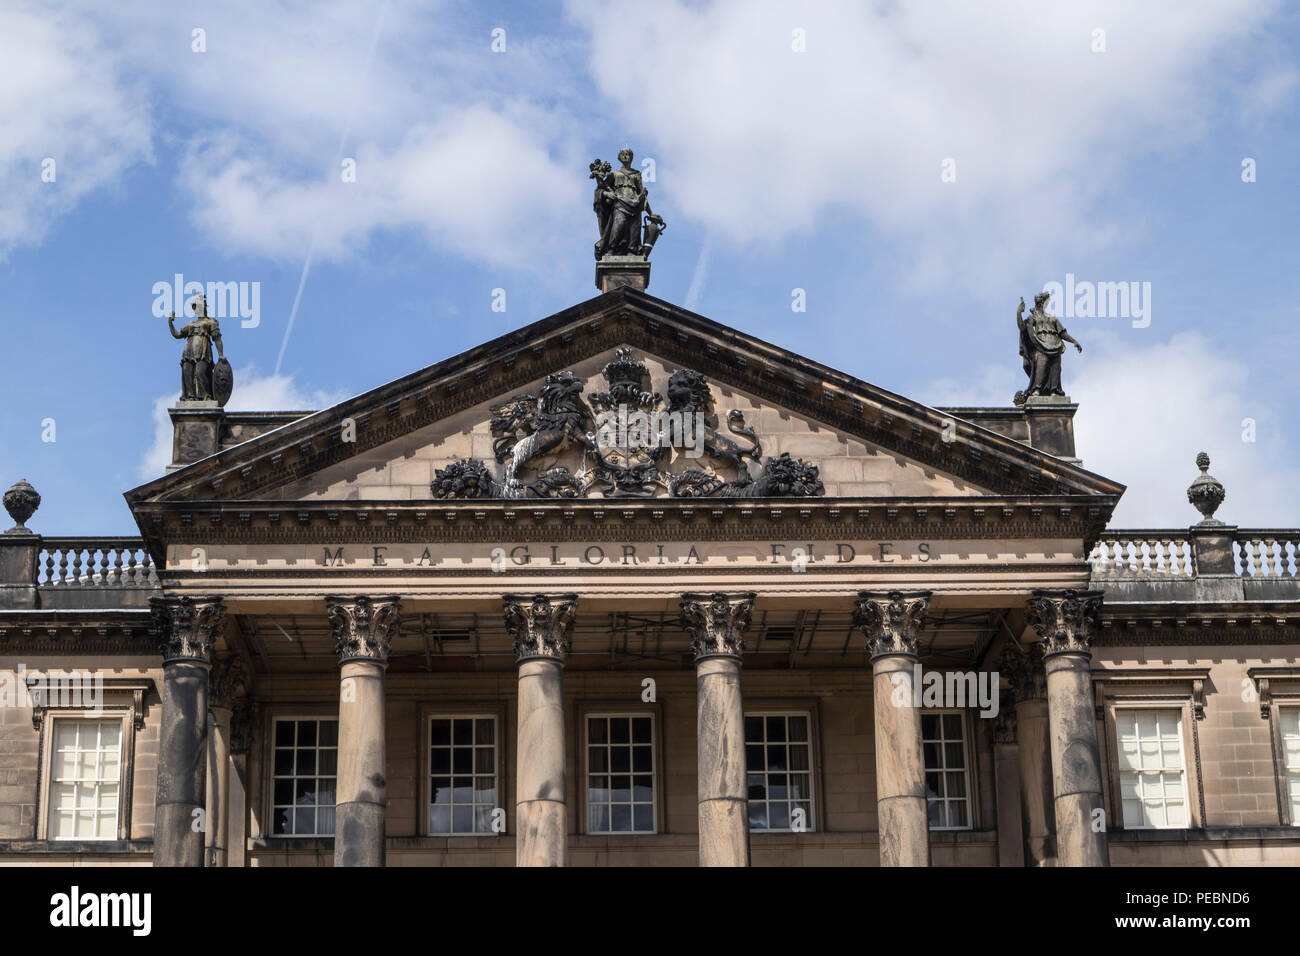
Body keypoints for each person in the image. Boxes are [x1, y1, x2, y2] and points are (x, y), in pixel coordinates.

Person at [1016, 292, 1081, 399]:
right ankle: (1037, 389)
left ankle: (1054, 390)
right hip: (1040, 344)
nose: (1048, 303)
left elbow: (1062, 333)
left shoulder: (1052, 318)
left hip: (1055, 344)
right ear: (1043, 302)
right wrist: (1019, 313)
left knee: (1056, 368)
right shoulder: (1033, 317)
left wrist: (1074, 341)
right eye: (1047, 301)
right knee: (1042, 365)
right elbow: (1022, 327)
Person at [168, 293, 224, 401]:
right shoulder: (191, 324)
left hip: (203, 351)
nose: (195, 309)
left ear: (203, 307)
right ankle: (190, 397)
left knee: (200, 371)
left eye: (197, 306)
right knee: (187, 371)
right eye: (194, 307)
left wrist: (221, 355)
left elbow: (217, 338)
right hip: (188, 351)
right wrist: (170, 323)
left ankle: (206, 396)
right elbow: (177, 334)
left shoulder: (211, 322)